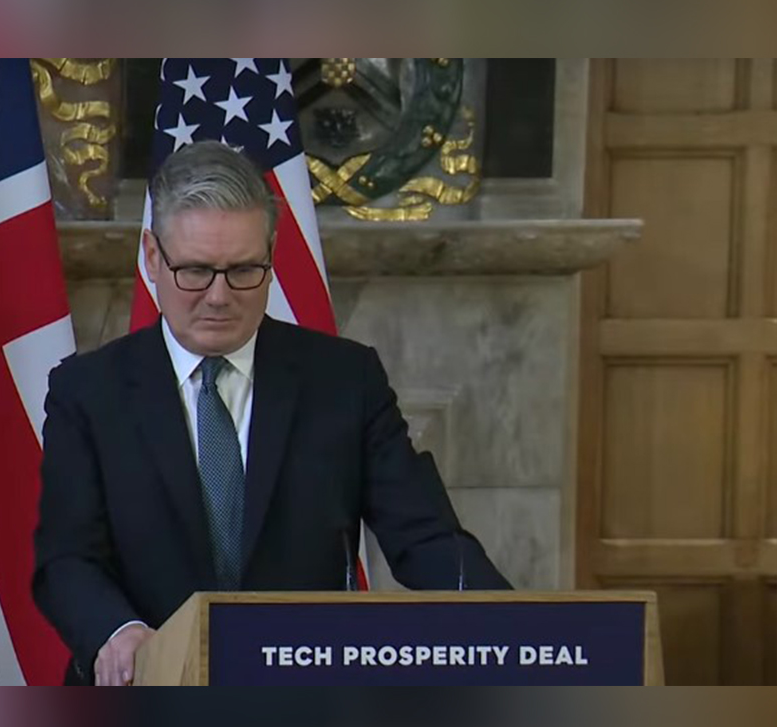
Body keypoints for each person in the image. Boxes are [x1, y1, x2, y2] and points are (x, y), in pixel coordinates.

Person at [33, 140, 510, 686]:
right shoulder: (89, 392)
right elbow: (67, 558)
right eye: (194, 271)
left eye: (243, 271)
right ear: (151, 257)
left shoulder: (344, 381)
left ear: (272, 253)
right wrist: (118, 632)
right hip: (148, 696)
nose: (218, 297)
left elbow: (424, 536)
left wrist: (512, 627)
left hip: (306, 701)